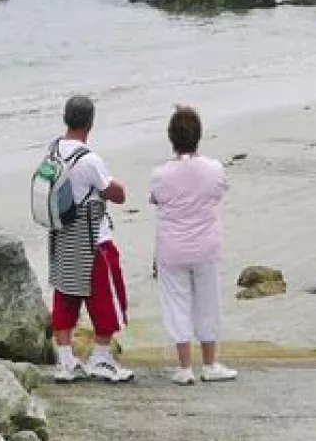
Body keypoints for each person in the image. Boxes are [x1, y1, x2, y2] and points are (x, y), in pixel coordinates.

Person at [48, 95, 134, 383]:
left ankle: (65, 360)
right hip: (93, 239)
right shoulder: (89, 160)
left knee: (65, 295)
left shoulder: (53, 152)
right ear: (90, 123)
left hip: (62, 237)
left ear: (65, 119)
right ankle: (100, 358)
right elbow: (116, 194)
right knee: (106, 299)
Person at [149, 106, 237, 385]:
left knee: (177, 303)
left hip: (172, 248)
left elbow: (156, 199)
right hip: (206, 246)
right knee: (208, 303)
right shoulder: (213, 169)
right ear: (198, 136)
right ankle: (209, 364)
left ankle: (185, 366)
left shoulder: (161, 174)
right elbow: (221, 190)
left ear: (171, 138)